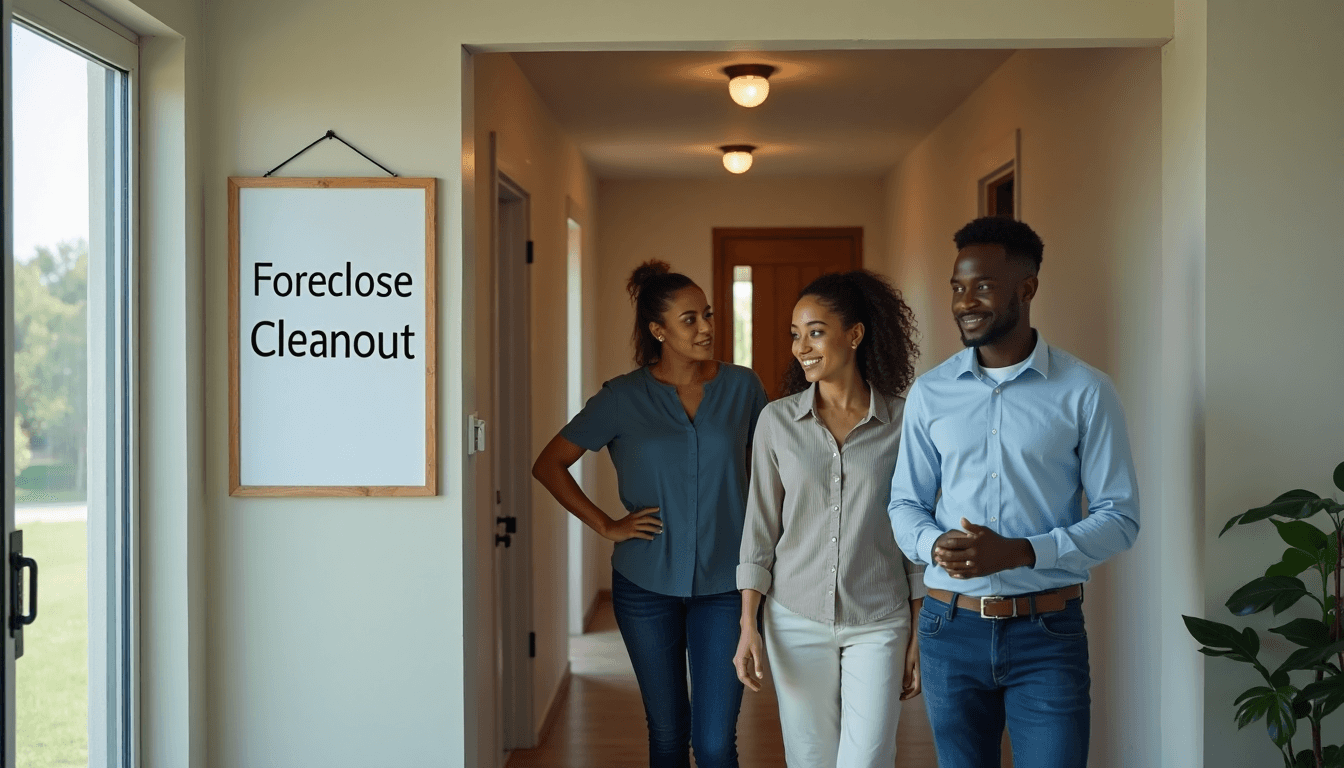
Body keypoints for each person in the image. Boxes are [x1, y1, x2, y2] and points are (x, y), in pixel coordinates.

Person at [887, 217, 1140, 768]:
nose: (964, 301)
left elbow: (1120, 516)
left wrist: (1023, 551)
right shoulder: (930, 395)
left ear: (1027, 288)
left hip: (1047, 634)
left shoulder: (1086, 391)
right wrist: (935, 545)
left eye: (982, 286)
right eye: (957, 286)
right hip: (948, 629)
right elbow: (904, 503)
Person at [532, 260, 768, 768]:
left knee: (714, 743)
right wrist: (606, 525)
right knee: (666, 735)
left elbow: (771, 476)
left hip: (728, 587)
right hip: (644, 587)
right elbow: (549, 464)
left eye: (707, 314)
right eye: (690, 319)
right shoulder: (621, 397)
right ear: (658, 330)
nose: (706, 327)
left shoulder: (743, 388)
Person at [734, 270, 926, 768]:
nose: (802, 346)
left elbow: (915, 529)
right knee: (810, 758)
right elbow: (759, 529)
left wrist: (918, 630)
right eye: (795, 334)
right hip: (794, 616)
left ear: (855, 334)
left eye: (815, 331)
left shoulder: (906, 422)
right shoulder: (776, 422)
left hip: (879, 617)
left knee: (867, 760)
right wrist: (747, 625)